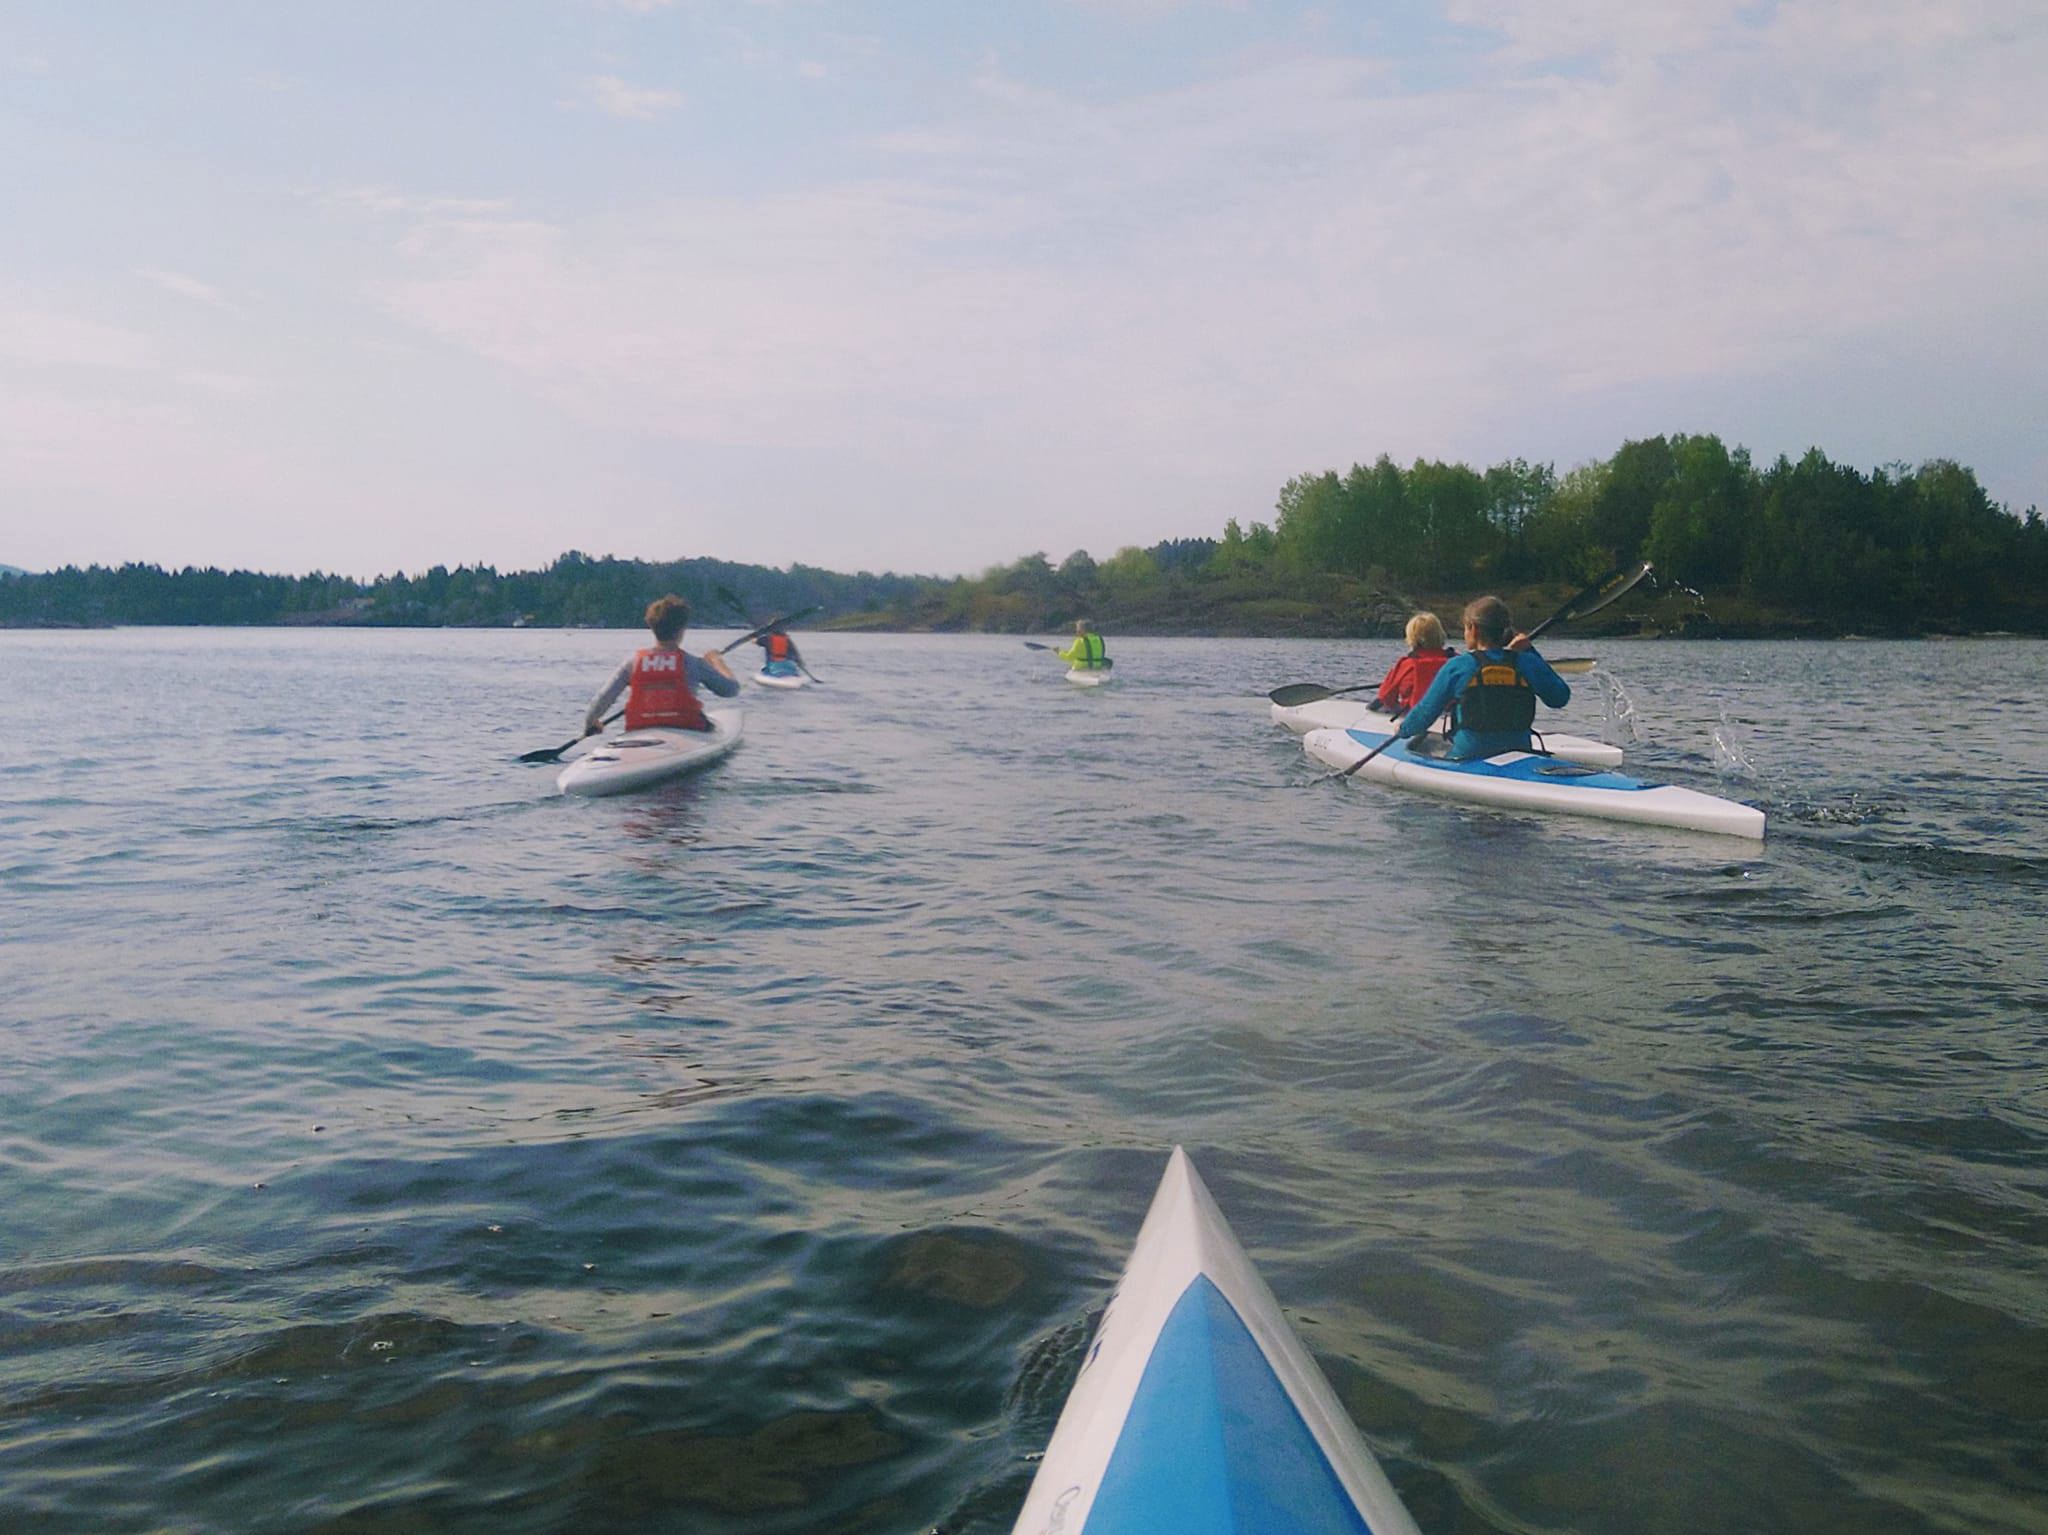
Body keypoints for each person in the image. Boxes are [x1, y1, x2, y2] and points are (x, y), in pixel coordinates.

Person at [1396, 595, 1569, 759]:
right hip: (1519, 751)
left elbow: (1425, 714)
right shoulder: (1527, 662)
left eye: (1465, 628)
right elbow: (1559, 698)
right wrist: (1530, 651)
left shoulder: (1458, 666)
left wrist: (1402, 729)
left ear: (1473, 629)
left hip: (1467, 756)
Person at [584, 594, 738, 736]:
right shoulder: (693, 663)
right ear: (682, 630)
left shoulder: (633, 662)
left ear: (652, 627)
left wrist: (591, 721)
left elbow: (603, 698)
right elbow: (730, 690)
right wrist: (716, 661)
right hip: (687, 728)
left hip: (640, 729)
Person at [1372, 612, 1455, 715]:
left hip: (1415, 716)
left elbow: (1386, 696)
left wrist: (1398, 707)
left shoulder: (1407, 664)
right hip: (1449, 716)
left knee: (1375, 706)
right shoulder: (1457, 660)